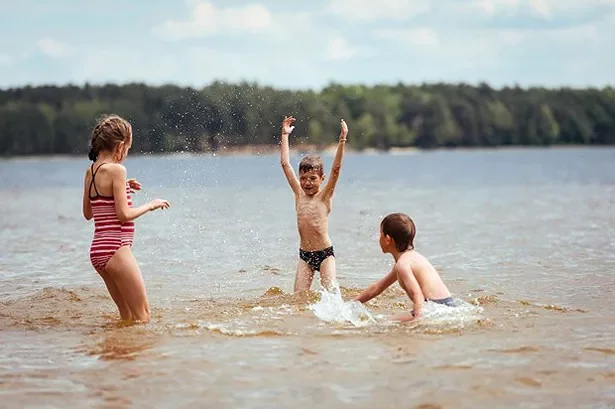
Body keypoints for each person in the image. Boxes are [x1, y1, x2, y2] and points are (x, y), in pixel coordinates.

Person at [82, 114, 170, 323]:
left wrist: (122, 187)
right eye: (128, 148)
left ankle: (119, 352)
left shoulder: (91, 171)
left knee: (127, 317)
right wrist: (151, 204)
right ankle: (136, 355)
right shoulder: (117, 170)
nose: (126, 154)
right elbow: (124, 215)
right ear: (120, 146)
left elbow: (88, 213)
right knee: (143, 316)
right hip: (116, 248)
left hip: (98, 251)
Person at [279, 115, 348, 292]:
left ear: (321, 179)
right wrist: (285, 135)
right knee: (298, 297)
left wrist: (342, 139)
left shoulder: (324, 196)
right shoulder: (298, 194)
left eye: (312, 178)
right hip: (305, 256)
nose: (307, 182)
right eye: (303, 178)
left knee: (331, 293)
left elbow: (336, 170)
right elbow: (285, 164)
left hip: (325, 254)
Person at [353, 213, 454, 321]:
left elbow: (417, 294)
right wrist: (351, 304)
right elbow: (377, 288)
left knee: (383, 321)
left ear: (387, 239)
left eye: (380, 234)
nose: (379, 238)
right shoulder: (410, 259)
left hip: (434, 309)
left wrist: (418, 320)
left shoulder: (403, 265)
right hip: (449, 306)